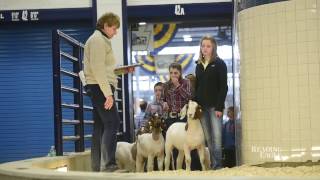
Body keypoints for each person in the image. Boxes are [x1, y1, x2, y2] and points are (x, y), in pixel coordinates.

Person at [83, 12, 121, 172]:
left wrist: (120, 71)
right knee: (112, 122)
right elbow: (98, 69)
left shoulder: (100, 39)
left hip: (98, 86)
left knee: (100, 126)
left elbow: (103, 68)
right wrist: (108, 94)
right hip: (100, 87)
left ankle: (97, 165)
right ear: (105, 26)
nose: (116, 32)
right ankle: (108, 165)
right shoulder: (98, 40)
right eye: (114, 28)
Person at [195, 35, 228, 170]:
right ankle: (213, 165)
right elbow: (198, 87)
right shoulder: (198, 65)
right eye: (203, 46)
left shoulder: (220, 63)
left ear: (213, 47)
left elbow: (223, 87)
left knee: (217, 138)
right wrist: (196, 105)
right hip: (202, 108)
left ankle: (218, 166)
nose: (205, 48)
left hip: (215, 107)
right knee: (208, 138)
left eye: (208, 46)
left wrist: (219, 107)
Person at [163, 62, 192, 129]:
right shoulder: (166, 85)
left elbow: (188, 98)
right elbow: (163, 99)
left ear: (180, 73)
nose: (173, 75)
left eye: (175, 73)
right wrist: (164, 103)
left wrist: (177, 85)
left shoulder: (186, 82)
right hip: (170, 117)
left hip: (182, 116)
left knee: (181, 138)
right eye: (171, 73)